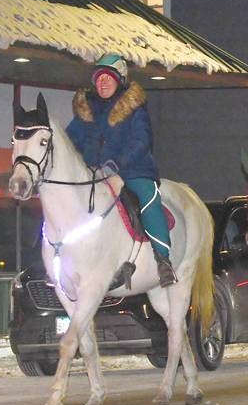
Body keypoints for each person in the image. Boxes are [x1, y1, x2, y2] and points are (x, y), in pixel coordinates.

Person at [66, 53, 177, 288]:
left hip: (132, 171)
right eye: (98, 79)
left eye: (108, 78)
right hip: (94, 174)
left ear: (120, 80)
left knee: (148, 198)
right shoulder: (86, 111)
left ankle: (163, 260)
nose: (102, 83)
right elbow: (69, 140)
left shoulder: (135, 109)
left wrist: (117, 164)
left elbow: (142, 140)